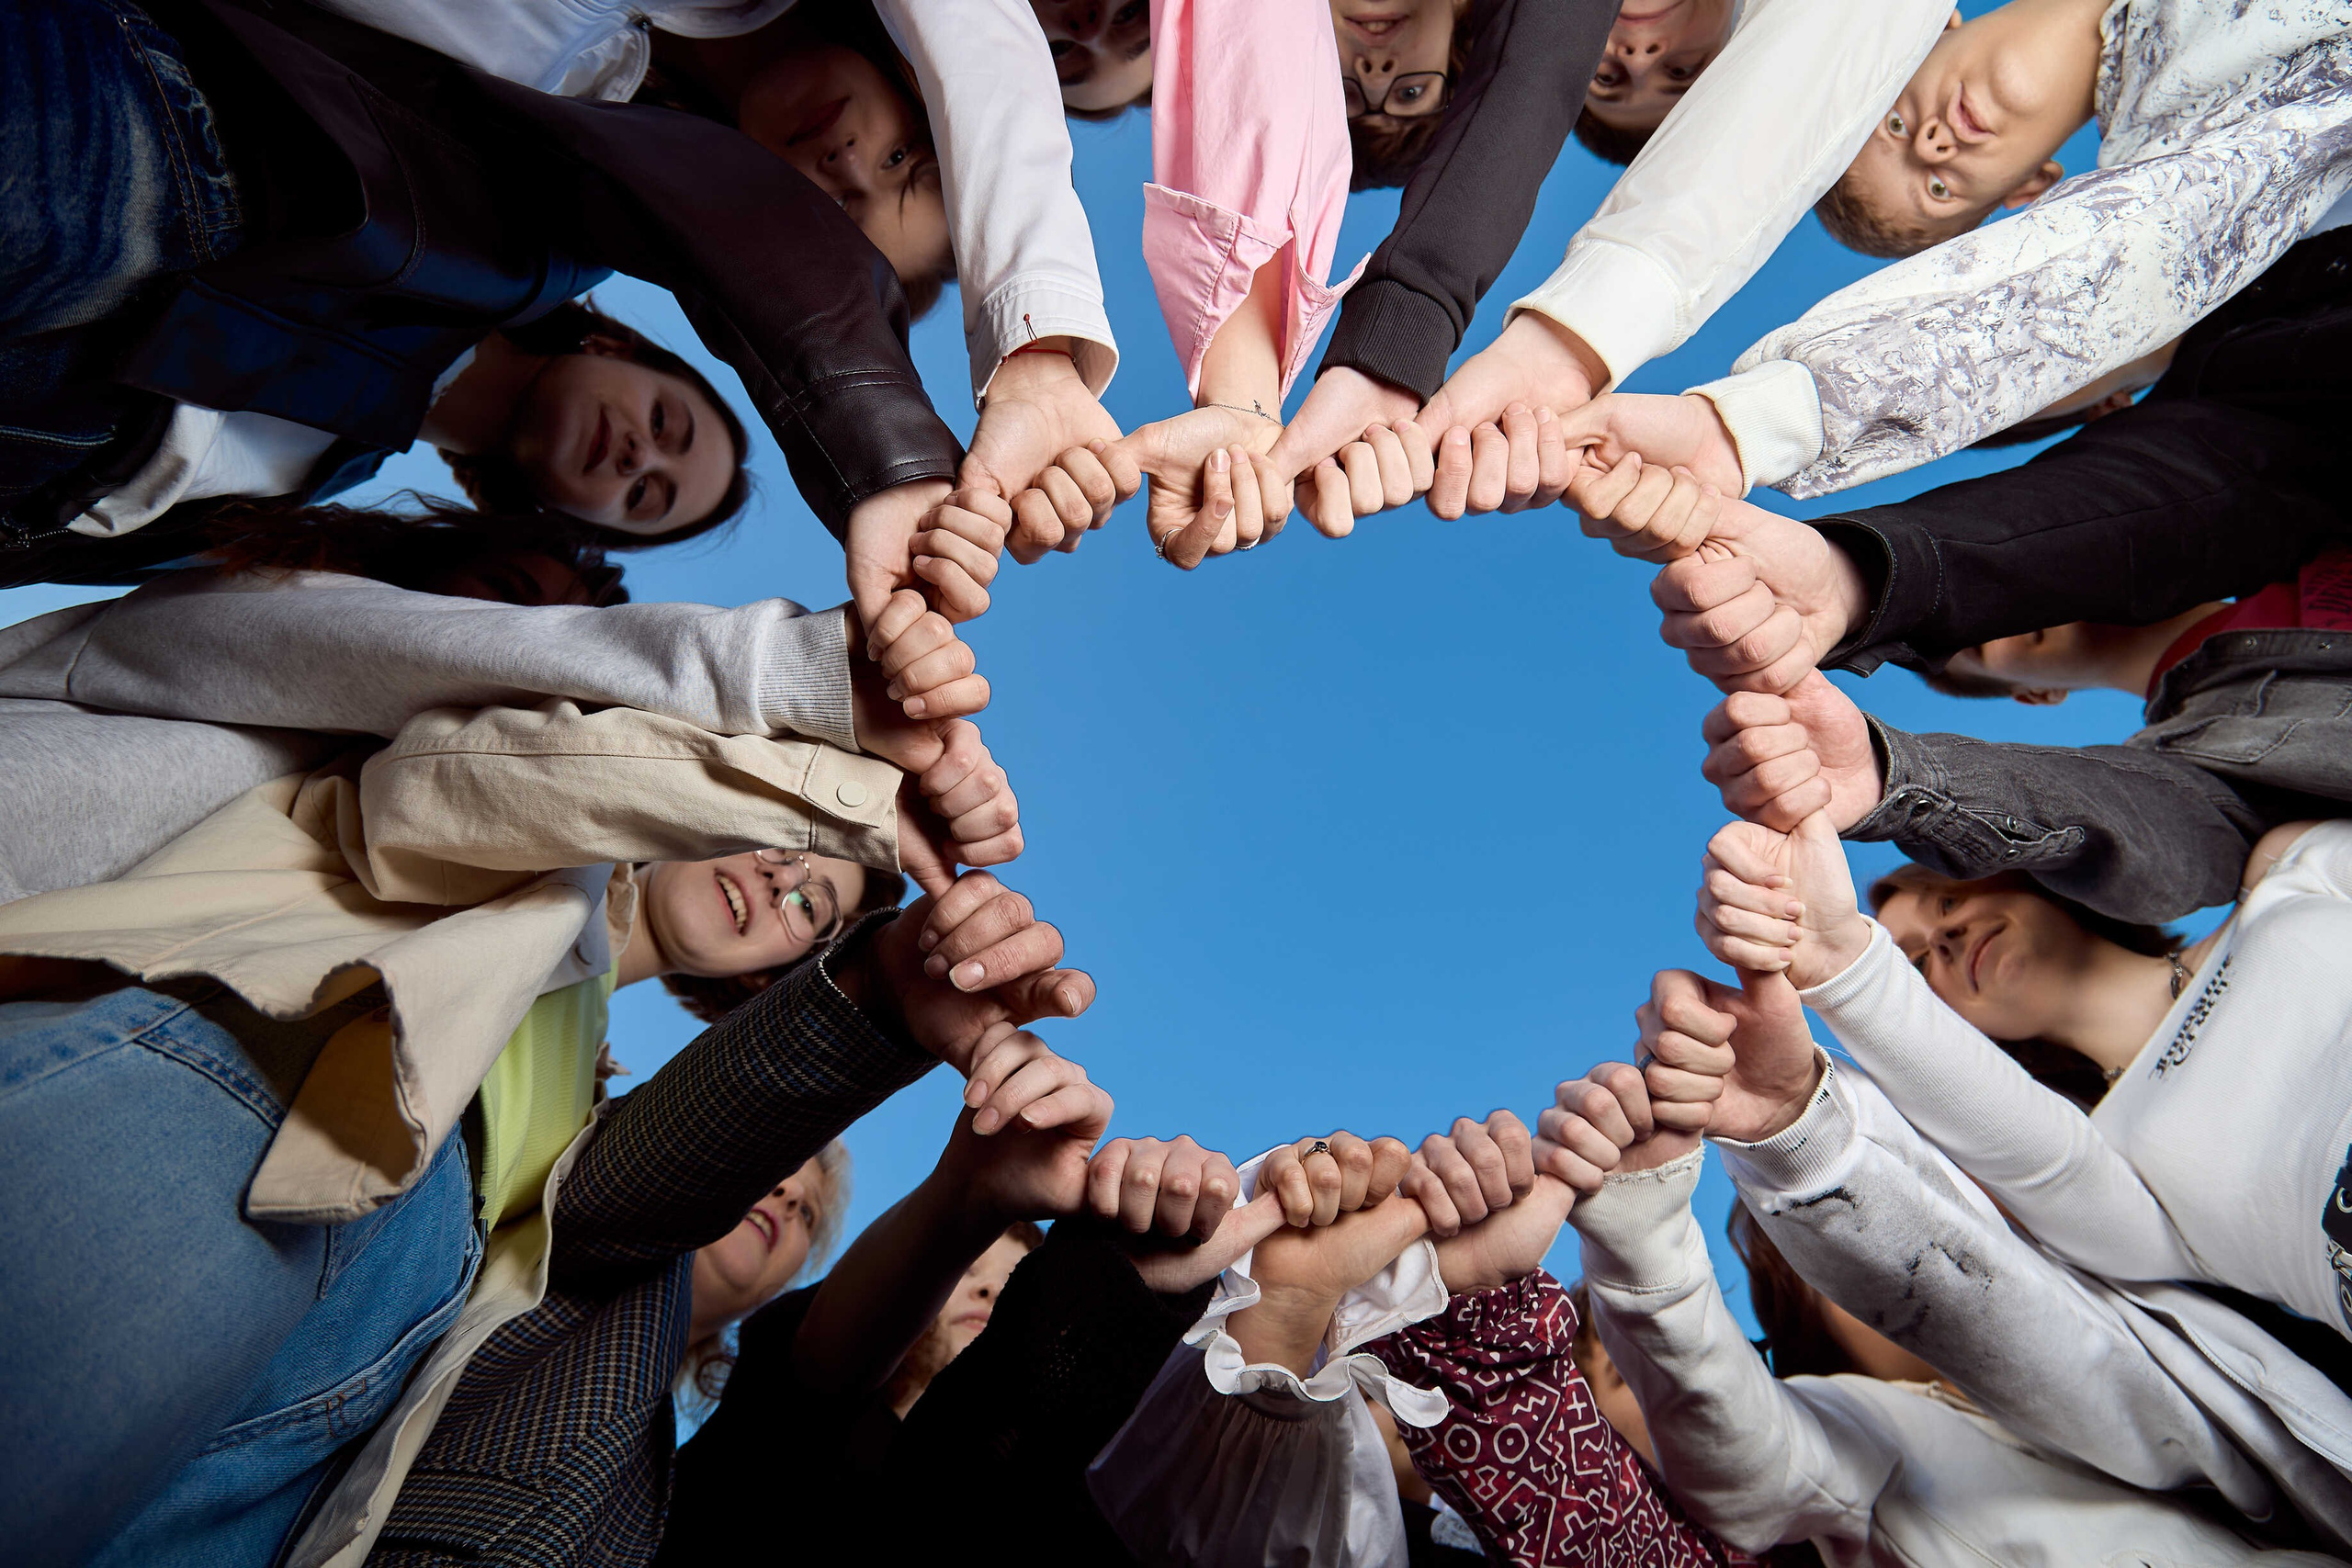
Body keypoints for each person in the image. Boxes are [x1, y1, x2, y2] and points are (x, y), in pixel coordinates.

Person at [0, 649, 1005, 1566]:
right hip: (276, 1114)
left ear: (775, 974)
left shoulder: (598, 1099)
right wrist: (835, 786)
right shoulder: (559, 843)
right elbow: (437, 788)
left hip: (359, 1391)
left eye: (809, 905)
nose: (779, 876)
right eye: (786, 840)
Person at [2, 0, 971, 650]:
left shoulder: (319, 486)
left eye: (644, 496)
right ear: (615, 345)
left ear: (564, 519)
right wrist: (887, 465)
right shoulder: (541, 233)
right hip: (112, 167)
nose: (636, 455)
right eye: (668, 429)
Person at [287, 873, 1100, 1568]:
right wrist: (875, 1000)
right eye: (775, 1176)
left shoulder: (656, 1469)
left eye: (807, 1208)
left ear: (791, 1282)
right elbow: (627, 1190)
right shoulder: (556, 1205)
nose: (784, 1197)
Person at [1540, 1018, 2352, 1563]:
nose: (1891, 1256)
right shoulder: (1875, 1429)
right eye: (1832, 1267)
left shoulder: (2168, 1289)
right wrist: (1644, 1239)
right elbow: (1751, 1463)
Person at [1546, 0, 2352, 509]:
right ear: (2034, 194)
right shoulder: (2183, 160)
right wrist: (1751, 424)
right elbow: (2087, 286)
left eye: (1893, 123)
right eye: (1937, 188)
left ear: (1929, 26)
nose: (1931, 140)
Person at [1689, 807, 2352, 1362]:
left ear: (2013, 877)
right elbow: (2040, 1158)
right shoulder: (2109, 1173)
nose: (1944, 935)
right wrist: (1838, 960)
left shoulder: (2286, 872)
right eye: (1916, 966)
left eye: (1947, 899)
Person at [658, 1120, 1288, 1563]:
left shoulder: (1087, 1499)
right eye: (969, 1276)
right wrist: (970, 1197)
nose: (988, 1294)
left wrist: (1119, 1285)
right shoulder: (787, 1429)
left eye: (1010, 1282)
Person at [1690, 532, 2352, 919]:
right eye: (1981, 645)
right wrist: (1889, 775)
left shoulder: (2287, 522)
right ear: (2037, 694)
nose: (2000, 619)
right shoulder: (2194, 761)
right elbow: (2146, 830)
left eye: (1998, 601)